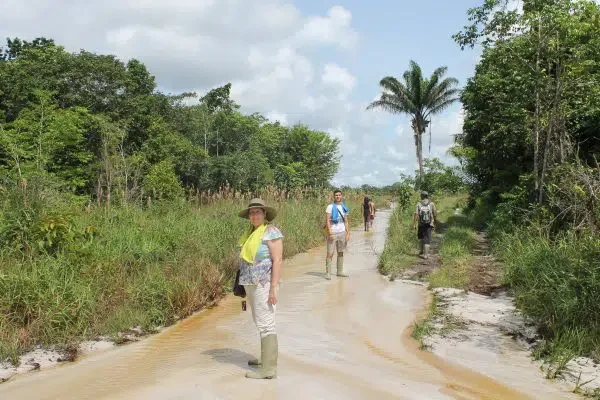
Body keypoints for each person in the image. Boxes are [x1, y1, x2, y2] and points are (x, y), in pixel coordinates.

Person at [237, 198, 283, 379]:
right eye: (251, 212)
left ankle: (269, 369)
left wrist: (273, 288)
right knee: (259, 320)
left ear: (265, 214)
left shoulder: (271, 231)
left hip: (264, 283)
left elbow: (277, 260)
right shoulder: (250, 233)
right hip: (250, 283)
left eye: (258, 212)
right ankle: (266, 359)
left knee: (266, 323)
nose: (254, 215)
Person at [325, 190, 350, 279]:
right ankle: (328, 273)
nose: (338, 196)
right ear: (334, 197)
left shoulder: (344, 207)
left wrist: (348, 233)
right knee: (330, 253)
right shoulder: (330, 207)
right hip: (333, 233)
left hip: (342, 232)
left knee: (340, 252)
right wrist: (330, 233)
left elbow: (346, 221)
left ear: (341, 196)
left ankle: (339, 271)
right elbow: (327, 220)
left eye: (339, 195)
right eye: (336, 195)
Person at [413, 191, 437, 259]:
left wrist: (414, 224)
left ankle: (421, 251)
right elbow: (434, 213)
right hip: (429, 224)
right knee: (427, 239)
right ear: (427, 196)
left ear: (422, 196)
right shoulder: (431, 203)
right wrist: (435, 222)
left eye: (421, 195)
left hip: (421, 224)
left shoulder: (419, 203)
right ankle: (426, 255)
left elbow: (416, 214)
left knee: (421, 238)